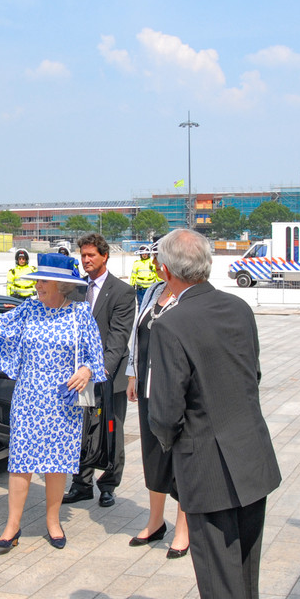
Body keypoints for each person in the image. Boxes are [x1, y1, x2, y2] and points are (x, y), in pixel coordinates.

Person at [144, 229, 282, 599]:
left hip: (208, 462)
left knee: (219, 576)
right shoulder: (238, 308)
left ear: (165, 271)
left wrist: (171, 444)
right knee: (243, 567)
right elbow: (254, 375)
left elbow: (163, 410)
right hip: (253, 456)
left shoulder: (171, 325)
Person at [0, 253, 106, 550]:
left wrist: (86, 369)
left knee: (57, 464)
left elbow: (97, 357)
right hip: (29, 398)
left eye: (43, 281)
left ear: (60, 285)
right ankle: (12, 527)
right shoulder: (29, 309)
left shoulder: (80, 314)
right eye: (37, 281)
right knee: (21, 461)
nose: (37, 286)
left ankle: (53, 521)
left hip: (63, 401)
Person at [125, 238, 190, 558]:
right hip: (148, 386)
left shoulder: (189, 296)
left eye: (158, 257)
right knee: (153, 452)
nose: (153, 262)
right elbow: (138, 334)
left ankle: (183, 527)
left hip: (175, 390)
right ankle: (155, 521)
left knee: (179, 455)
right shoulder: (152, 291)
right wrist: (133, 372)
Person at [64, 233, 135, 508]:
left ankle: (108, 485)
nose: (86, 260)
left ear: (105, 256)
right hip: (79, 376)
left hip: (109, 375)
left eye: (91, 255)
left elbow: (118, 340)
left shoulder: (122, 292)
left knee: (111, 431)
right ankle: (81, 483)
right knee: (79, 430)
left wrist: (97, 371)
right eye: (82, 255)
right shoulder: (76, 289)